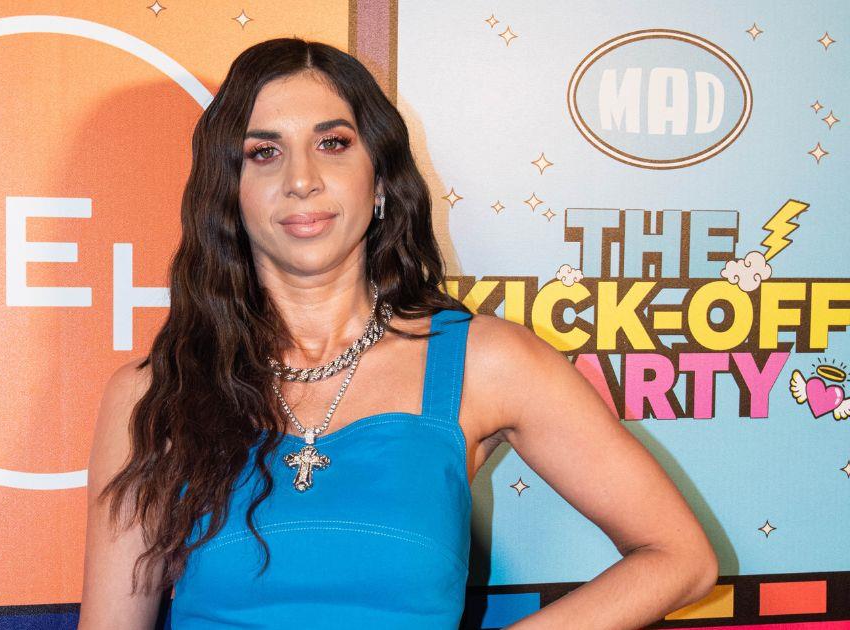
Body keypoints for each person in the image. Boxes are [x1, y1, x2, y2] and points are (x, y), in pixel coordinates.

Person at [78, 37, 717, 629]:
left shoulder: (483, 362)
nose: (301, 180)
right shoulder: (151, 397)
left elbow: (680, 557)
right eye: (264, 152)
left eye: (332, 143)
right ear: (230, 192)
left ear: (380, 179)